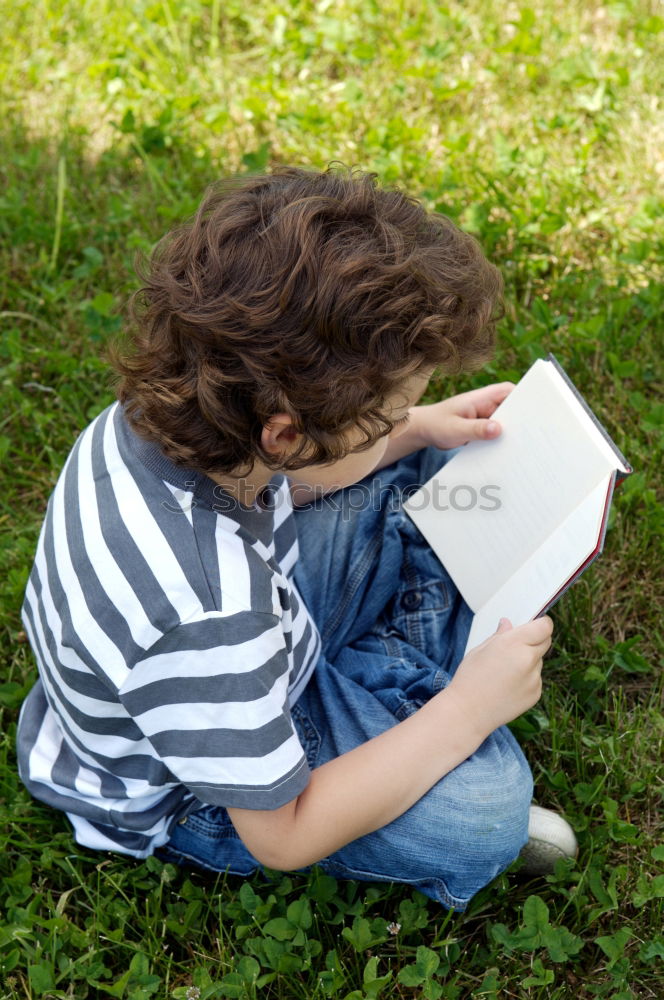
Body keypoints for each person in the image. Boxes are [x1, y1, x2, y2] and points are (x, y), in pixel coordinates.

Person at [17, 166, 577, 910]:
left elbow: (298, 481)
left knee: (436, 465)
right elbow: (282, 837)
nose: (397, 422)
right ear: (283, 433)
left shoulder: (162, 422)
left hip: (236, 664)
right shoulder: (207, 611)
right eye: (384, 416)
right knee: (486, 813)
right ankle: (416, 699)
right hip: (208, 792)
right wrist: (467, 712)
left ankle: (396, 700)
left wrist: (415, 430)